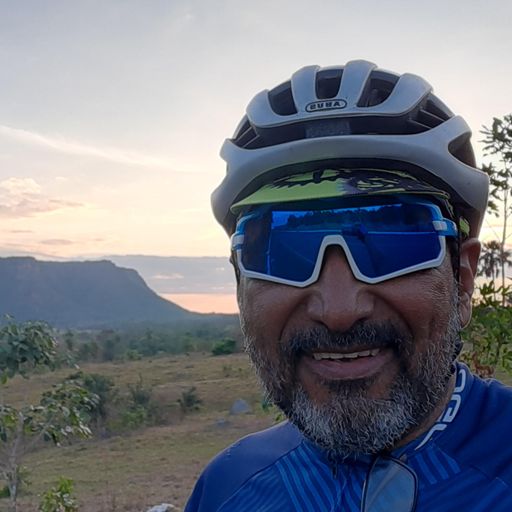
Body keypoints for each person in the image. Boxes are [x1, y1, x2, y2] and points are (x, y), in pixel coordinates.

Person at [185, 60, 512, 511]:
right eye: (282, 253)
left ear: (463, 280)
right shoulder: (226, 487)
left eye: (393, 242)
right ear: (241, 285)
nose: (339, 310)